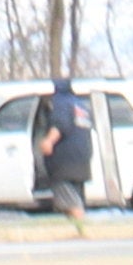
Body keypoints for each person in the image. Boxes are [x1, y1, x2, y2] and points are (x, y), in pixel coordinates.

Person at [35, 75, 95, 232]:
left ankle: (82, 232)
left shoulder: (61, 103)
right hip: (82, 158)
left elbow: (60, 125)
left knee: (71, 202)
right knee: (75, 198)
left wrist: (48, 141)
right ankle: (76, 230)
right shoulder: (80, 105)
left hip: (64, 160)